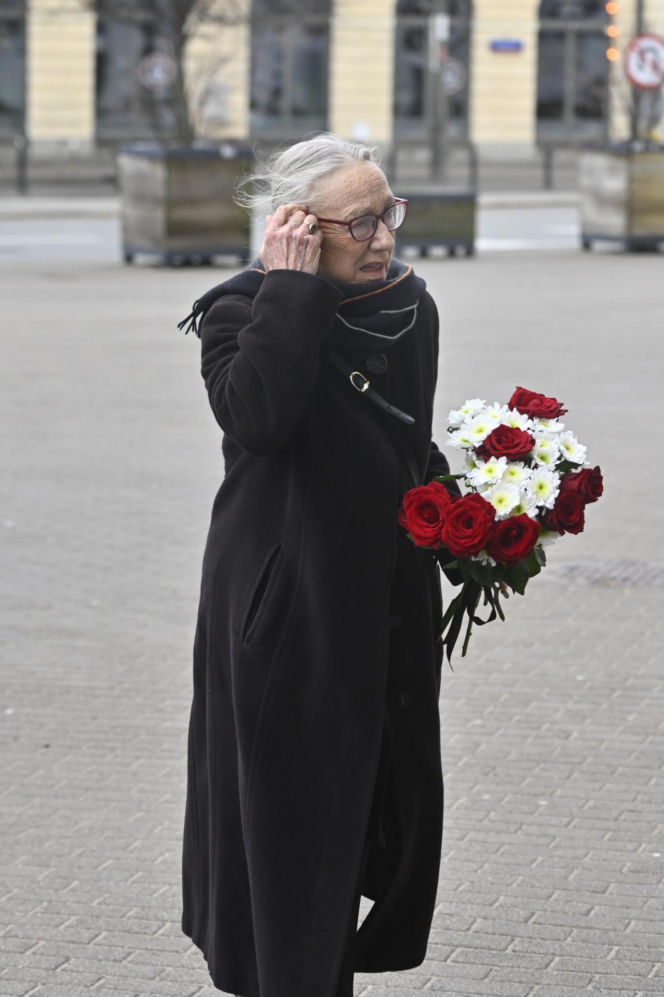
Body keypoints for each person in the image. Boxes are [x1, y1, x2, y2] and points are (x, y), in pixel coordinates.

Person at [179, 132, 455, 997]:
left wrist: (470, 512)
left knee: (372, 803)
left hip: (383, 600)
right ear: (298, 227)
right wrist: (292, 291)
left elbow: (407, 441)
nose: (383, 238)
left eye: (389, 213)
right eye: (359, 222)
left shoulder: (409, 306)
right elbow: (257, 418)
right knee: (290, 829)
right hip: (286, 611)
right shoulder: (240, 313)